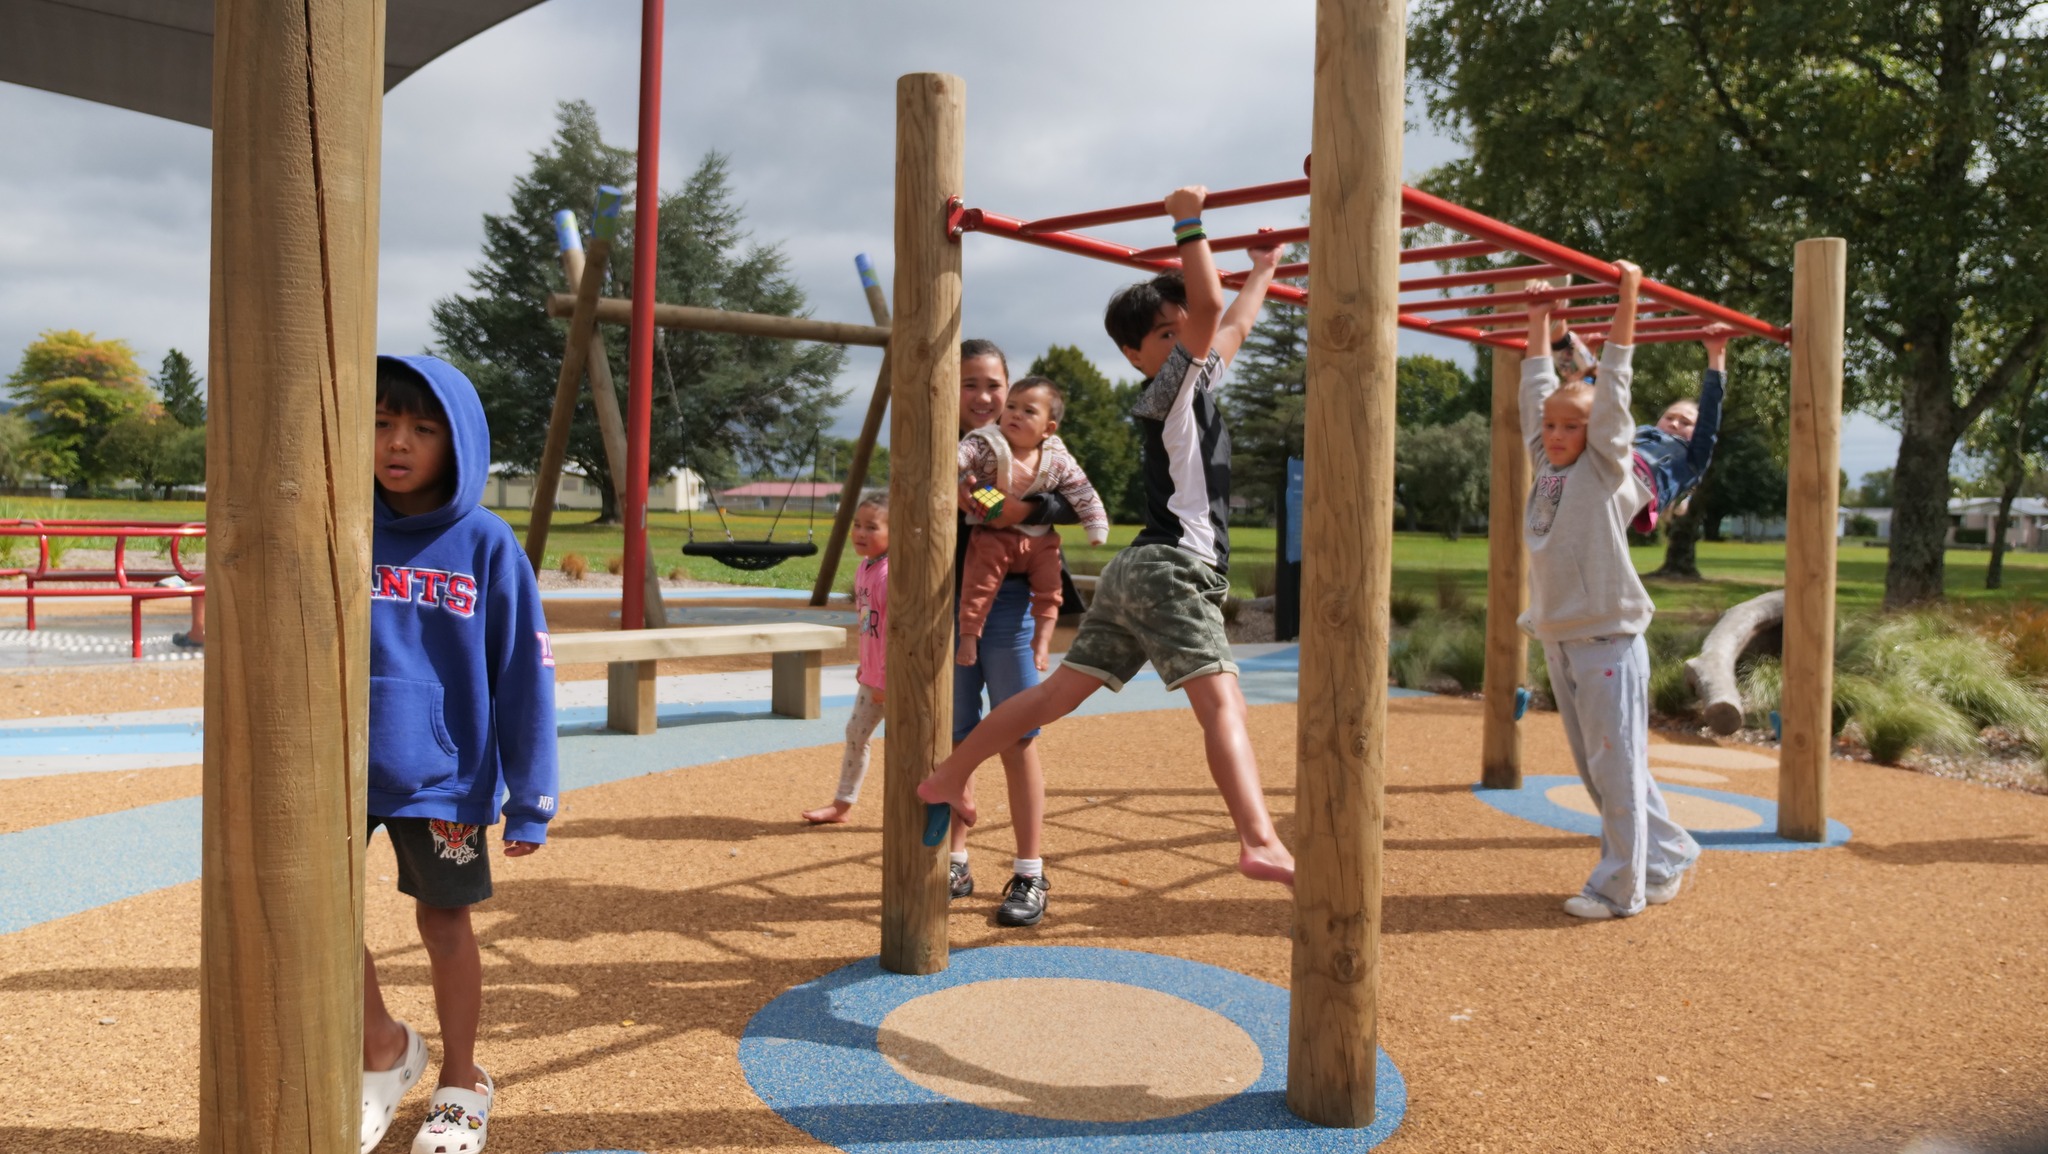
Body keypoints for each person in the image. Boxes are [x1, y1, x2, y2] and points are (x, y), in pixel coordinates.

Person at [918, 186, 1295, 890]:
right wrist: (1188, 222)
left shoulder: (1194, 379)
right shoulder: (1168, 390)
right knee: (1223, 704)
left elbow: (1230, 322)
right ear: (1136, 354)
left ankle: (948, 775)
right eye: (1167, 333)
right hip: (1170, 570)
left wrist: (1266, 269)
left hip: (1131, 569)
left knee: (1054, 696)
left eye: (1182, 328)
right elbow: (1212, 311)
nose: (1186, 335)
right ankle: (1261, 838)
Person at [359, 355, 558, 1154]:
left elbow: (524, 670)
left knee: (444, 922)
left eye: (421, 427)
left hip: (443, 774)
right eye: (380, 423)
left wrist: (532, 794)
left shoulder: (485, 543)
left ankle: (463, 1078)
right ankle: (383, 1047)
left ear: (457, 441)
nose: (397, 443)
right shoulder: (341, 521)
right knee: (314, 916)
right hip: (337, 769)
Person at [1521, 267, 1699, 920]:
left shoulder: (1602, 468)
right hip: (1562, 636)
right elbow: (1537, 389)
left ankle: (1619, 887)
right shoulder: (1547, 467)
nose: (1558, 435)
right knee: (1602, 770)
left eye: (1572, 427)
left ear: (1598, 436)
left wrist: (1629, 300)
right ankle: (1668, 852)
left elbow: (1614, 382)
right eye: (1553, 427)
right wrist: (1540, 318)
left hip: (1607, 639)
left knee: (1616, 771)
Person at [948, 339, 1082, 925]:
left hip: (1008, 605)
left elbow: (1072, 501)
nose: (983, 396)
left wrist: (1017, 509)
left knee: (1018, 734)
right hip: (943, 600)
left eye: (993, 385)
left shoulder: (1038, 443)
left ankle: (1030, 870)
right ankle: (953, 856)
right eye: (969, 384)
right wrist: (986, 499)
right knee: (951, 733)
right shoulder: (947, 445)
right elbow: (950, 496)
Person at [956, 376, 1110, 672]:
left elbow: (1082, 492)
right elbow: (964, 455)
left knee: (1050, 586)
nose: (1016, 414)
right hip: (993, 530)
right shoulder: (987, 441)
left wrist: (1096, 527)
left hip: (1038, 538)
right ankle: (968, 635)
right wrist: (957, 470)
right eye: (1012, 407)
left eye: (1029, 411)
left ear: (1048, 429)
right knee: (978, 583)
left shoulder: (1058, 459)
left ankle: (1042, 640)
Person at [1551, 322, 1734, 532]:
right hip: (1605, 464)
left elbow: (1710, 410)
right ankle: (1566, 342)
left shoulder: (1694, 458)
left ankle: (1562, 339)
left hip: (1635, 482)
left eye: (1686, 422)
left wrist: (1717, 354)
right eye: (1670, 418)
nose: (1674, 423)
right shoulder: (1640, 434)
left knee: (1606, 396)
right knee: (1592, 407)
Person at [802, 493, 890, 825]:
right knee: (856, 733)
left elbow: (896, 631)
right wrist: (866, 663)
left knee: (909, 747)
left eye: (872, 527)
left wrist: (886, 677)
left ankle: (924, 804)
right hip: (874, 675)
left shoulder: (888, 574)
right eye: (856, 525)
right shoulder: (864, 569)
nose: (860, 533)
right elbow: (871, 626)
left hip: (892, 679)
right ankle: (842, 804)